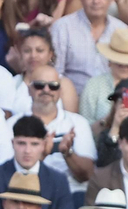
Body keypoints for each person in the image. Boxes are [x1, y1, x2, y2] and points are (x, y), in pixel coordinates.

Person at [23, 63, 94, 199]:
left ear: (60, 91)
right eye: (39, 85)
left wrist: (68, 154)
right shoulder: (14, 124)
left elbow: (86, 175)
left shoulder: (78, 123)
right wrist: (41, 155)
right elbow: (9, 172)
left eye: (53, 86)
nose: (46, 90)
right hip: (28, 194)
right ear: (29, 89)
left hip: (70, 193)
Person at [50, 0, 128, 91]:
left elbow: (127, 75)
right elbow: (55, 74)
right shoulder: (62, 28)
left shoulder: (122, 30)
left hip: (111, 102)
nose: (96, 1)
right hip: (73, 100)